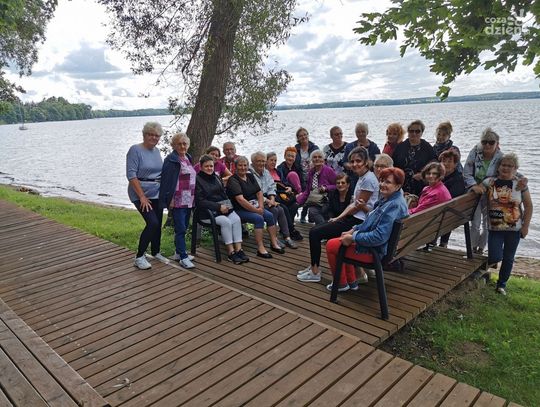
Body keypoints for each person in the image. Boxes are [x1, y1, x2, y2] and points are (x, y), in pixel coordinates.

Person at [297, 147, 378, 283]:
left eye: (358, 161)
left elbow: (356, 207)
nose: (355, 164)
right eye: (352, 161)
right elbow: (355, 204)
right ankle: (314, 266)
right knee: (318, 229)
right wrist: (338, 218)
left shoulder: (368, 180)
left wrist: (339, 218)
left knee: (314, 233)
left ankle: (315, 272)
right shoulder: (363, 177)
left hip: (358, 222)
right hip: (355, 219)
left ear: (366, 162)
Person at [325, 167, 408, 291]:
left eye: (388, 182)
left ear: (398, 186)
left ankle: (341, 284)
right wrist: (353, 230)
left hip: (376, 252)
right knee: (342, 239)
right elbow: (370, 222)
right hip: (384, 247)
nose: (382, 184)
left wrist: (353, 237)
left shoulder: (393, 205)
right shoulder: (390, 199)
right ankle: (351, 282)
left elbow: (379, 237)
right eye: (382, 180)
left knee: (331, 245)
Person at [471, 153, 532, 295]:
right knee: (495, 256)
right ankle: (481, 270)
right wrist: (475, 188)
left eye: (510, 166)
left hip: (514, 229)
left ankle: (501, 285)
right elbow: (478, 188)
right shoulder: (490, 182)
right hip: (495, 228)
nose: (506, 168)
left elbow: (529, 206)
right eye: (503, 165)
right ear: (498, 167)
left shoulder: (520, 185)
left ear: (515, 168)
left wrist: (526, 226)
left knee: (508, 258)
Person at [226, 156, 285, 258]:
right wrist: (256, 211)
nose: (243, 168)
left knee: (270, 216)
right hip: (239, 209)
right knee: (258, 218)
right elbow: (240, 200)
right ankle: (260, 248)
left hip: (255, 206)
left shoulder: (250, 176)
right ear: (236, 167)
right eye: (240, 165)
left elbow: (259, 192)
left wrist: (261, 207)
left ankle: (274, 243)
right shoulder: (233, 180)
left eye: (245, 165)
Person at [195, 155, 249, 264]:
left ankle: (239, 249)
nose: (209, 168)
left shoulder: (216, 177)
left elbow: (223, 194)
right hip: (207, 213)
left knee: (236, 219)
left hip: (223, 208)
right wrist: (218, 207)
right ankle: (231, 252)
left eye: (211, 166)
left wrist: (228, 205)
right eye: (206, 166)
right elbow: (200, 201)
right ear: (201, 167)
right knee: (226, 222)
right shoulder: (197, 180)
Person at [126, 121, 165, 270]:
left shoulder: (157, 151)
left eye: (157, 135)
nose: (154, 138)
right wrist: (142, 196)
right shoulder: (135, 150)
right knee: (152, 223)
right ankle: (139, 257)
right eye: (150, 134)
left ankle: (156, 252)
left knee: (158, 223)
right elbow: (131, 175)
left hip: (156, 192)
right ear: (144, 135)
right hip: (140, 193)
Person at [463, 128, 504, 254]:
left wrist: (485, 183)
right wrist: (474, 185)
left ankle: (481, 248)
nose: (487, 145)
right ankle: (472, 248)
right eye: (484, 142)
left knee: (488, 224)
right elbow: (466, 172)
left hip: (491, 193)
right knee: (475, 223)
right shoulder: (475, 152)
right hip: (475, 192)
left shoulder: (500, 157)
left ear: (497, 144)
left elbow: (502, 175)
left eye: (491, 142)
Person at [159, 133, 196, 269]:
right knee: (180, 228)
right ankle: (183, 258)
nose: (182, 146)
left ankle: (178, 253)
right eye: (179, 144)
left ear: (188, 145)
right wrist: (169, 200)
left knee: (184, 227)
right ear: (173, 145)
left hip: (189, 198)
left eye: (184, 143)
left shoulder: (188, 157)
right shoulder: (171, 160)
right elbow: (166, 181)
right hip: (178, 199)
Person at [250, 151, 297, 248]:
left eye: (263, 161)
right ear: (253, 162)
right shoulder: (249, 174)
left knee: (281, 209)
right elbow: (253, 192)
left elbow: (271, 187)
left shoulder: (265, 172)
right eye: (259, 161)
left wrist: (272, 199)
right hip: (255, 200)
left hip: (267, 198)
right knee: (274, 210)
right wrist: (268, 201)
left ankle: (287, 237)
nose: (261, 163)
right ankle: (274, 239)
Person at [393, 119, 437, 196]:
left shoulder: (426, 147)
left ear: (422, 132)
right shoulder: (400, 147)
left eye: (417, 131)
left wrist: (423, 174)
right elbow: (393, 165)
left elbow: (434, 163)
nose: (414, 133)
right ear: (408, 132)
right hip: (402, 185)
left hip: (421, 185)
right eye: (411, 131)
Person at [266, 151, 302, 241]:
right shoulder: (265, 173)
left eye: (275, 160)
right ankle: (291, 230)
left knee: (294, 205)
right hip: (272, 196)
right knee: (284, 208)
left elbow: (284, 182)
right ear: (266, 161)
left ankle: (285, 228)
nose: (273, 162)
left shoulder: (277, 171)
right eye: (271, 160)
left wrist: (289, 187)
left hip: (282, 194)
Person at [296, 150, 337, 225]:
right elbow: (308, 191)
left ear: (323, 159)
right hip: (315, 200)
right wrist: (298, 200)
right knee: (294, 205)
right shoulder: (311, 172)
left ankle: (322, 228)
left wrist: (326, 188)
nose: (317, 159)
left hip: (326, 200)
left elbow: (337, 185)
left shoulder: (328, 170)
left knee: (313, 212)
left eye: (319, 157)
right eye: (315, 157)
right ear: (312, 159)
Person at [438, 149, 466, 247]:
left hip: (447, 213)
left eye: (449, 161)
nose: (446, 163)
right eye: (443, 161)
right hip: (445, 214)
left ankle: (439, 243)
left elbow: (449, 199)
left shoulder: (457, 179)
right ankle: (441, 243)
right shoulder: (439, 177)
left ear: (455, 164)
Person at [295, 127, 319, 223]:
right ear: (298, 138)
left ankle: (308, 215)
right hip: (301, 176)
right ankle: (303, 215)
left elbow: (319, 159)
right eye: (301, 136)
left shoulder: (314, 148)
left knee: (311, 195)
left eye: (305, 134)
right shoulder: (296, 149)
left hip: (313, 176)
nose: (303, 137)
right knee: (304, 195)